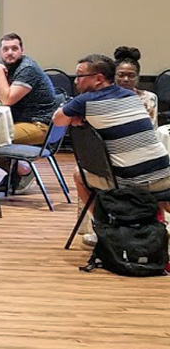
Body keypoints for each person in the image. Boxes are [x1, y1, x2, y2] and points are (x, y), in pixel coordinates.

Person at [52, 54, 170, 247]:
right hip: (164, 173)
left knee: (78, 175)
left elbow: (58, 120)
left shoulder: (85, 101)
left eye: (80, 75)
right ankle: (155, 230)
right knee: (158, 189)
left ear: (98, 78)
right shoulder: (131, 96)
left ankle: (106, 229)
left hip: (130, 182)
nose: (76, 80)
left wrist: (79, 117)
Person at [0, 33, 57, 188]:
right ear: (1, 52)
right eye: (6, 49)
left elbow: (7, 100)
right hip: (20, 122)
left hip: (39, 125)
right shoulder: (6, 67)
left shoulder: (27, 69)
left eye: (14, 48)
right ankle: (13, 173)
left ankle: (23, 171)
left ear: (22, 50)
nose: (10, 52)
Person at [114, 46, 159, 122]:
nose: (126, 79)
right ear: (113, 76)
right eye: (121, 75)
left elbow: (152, 127)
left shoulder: (149, 98)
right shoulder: (104, 98)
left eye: (131, 76)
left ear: (138, 77)